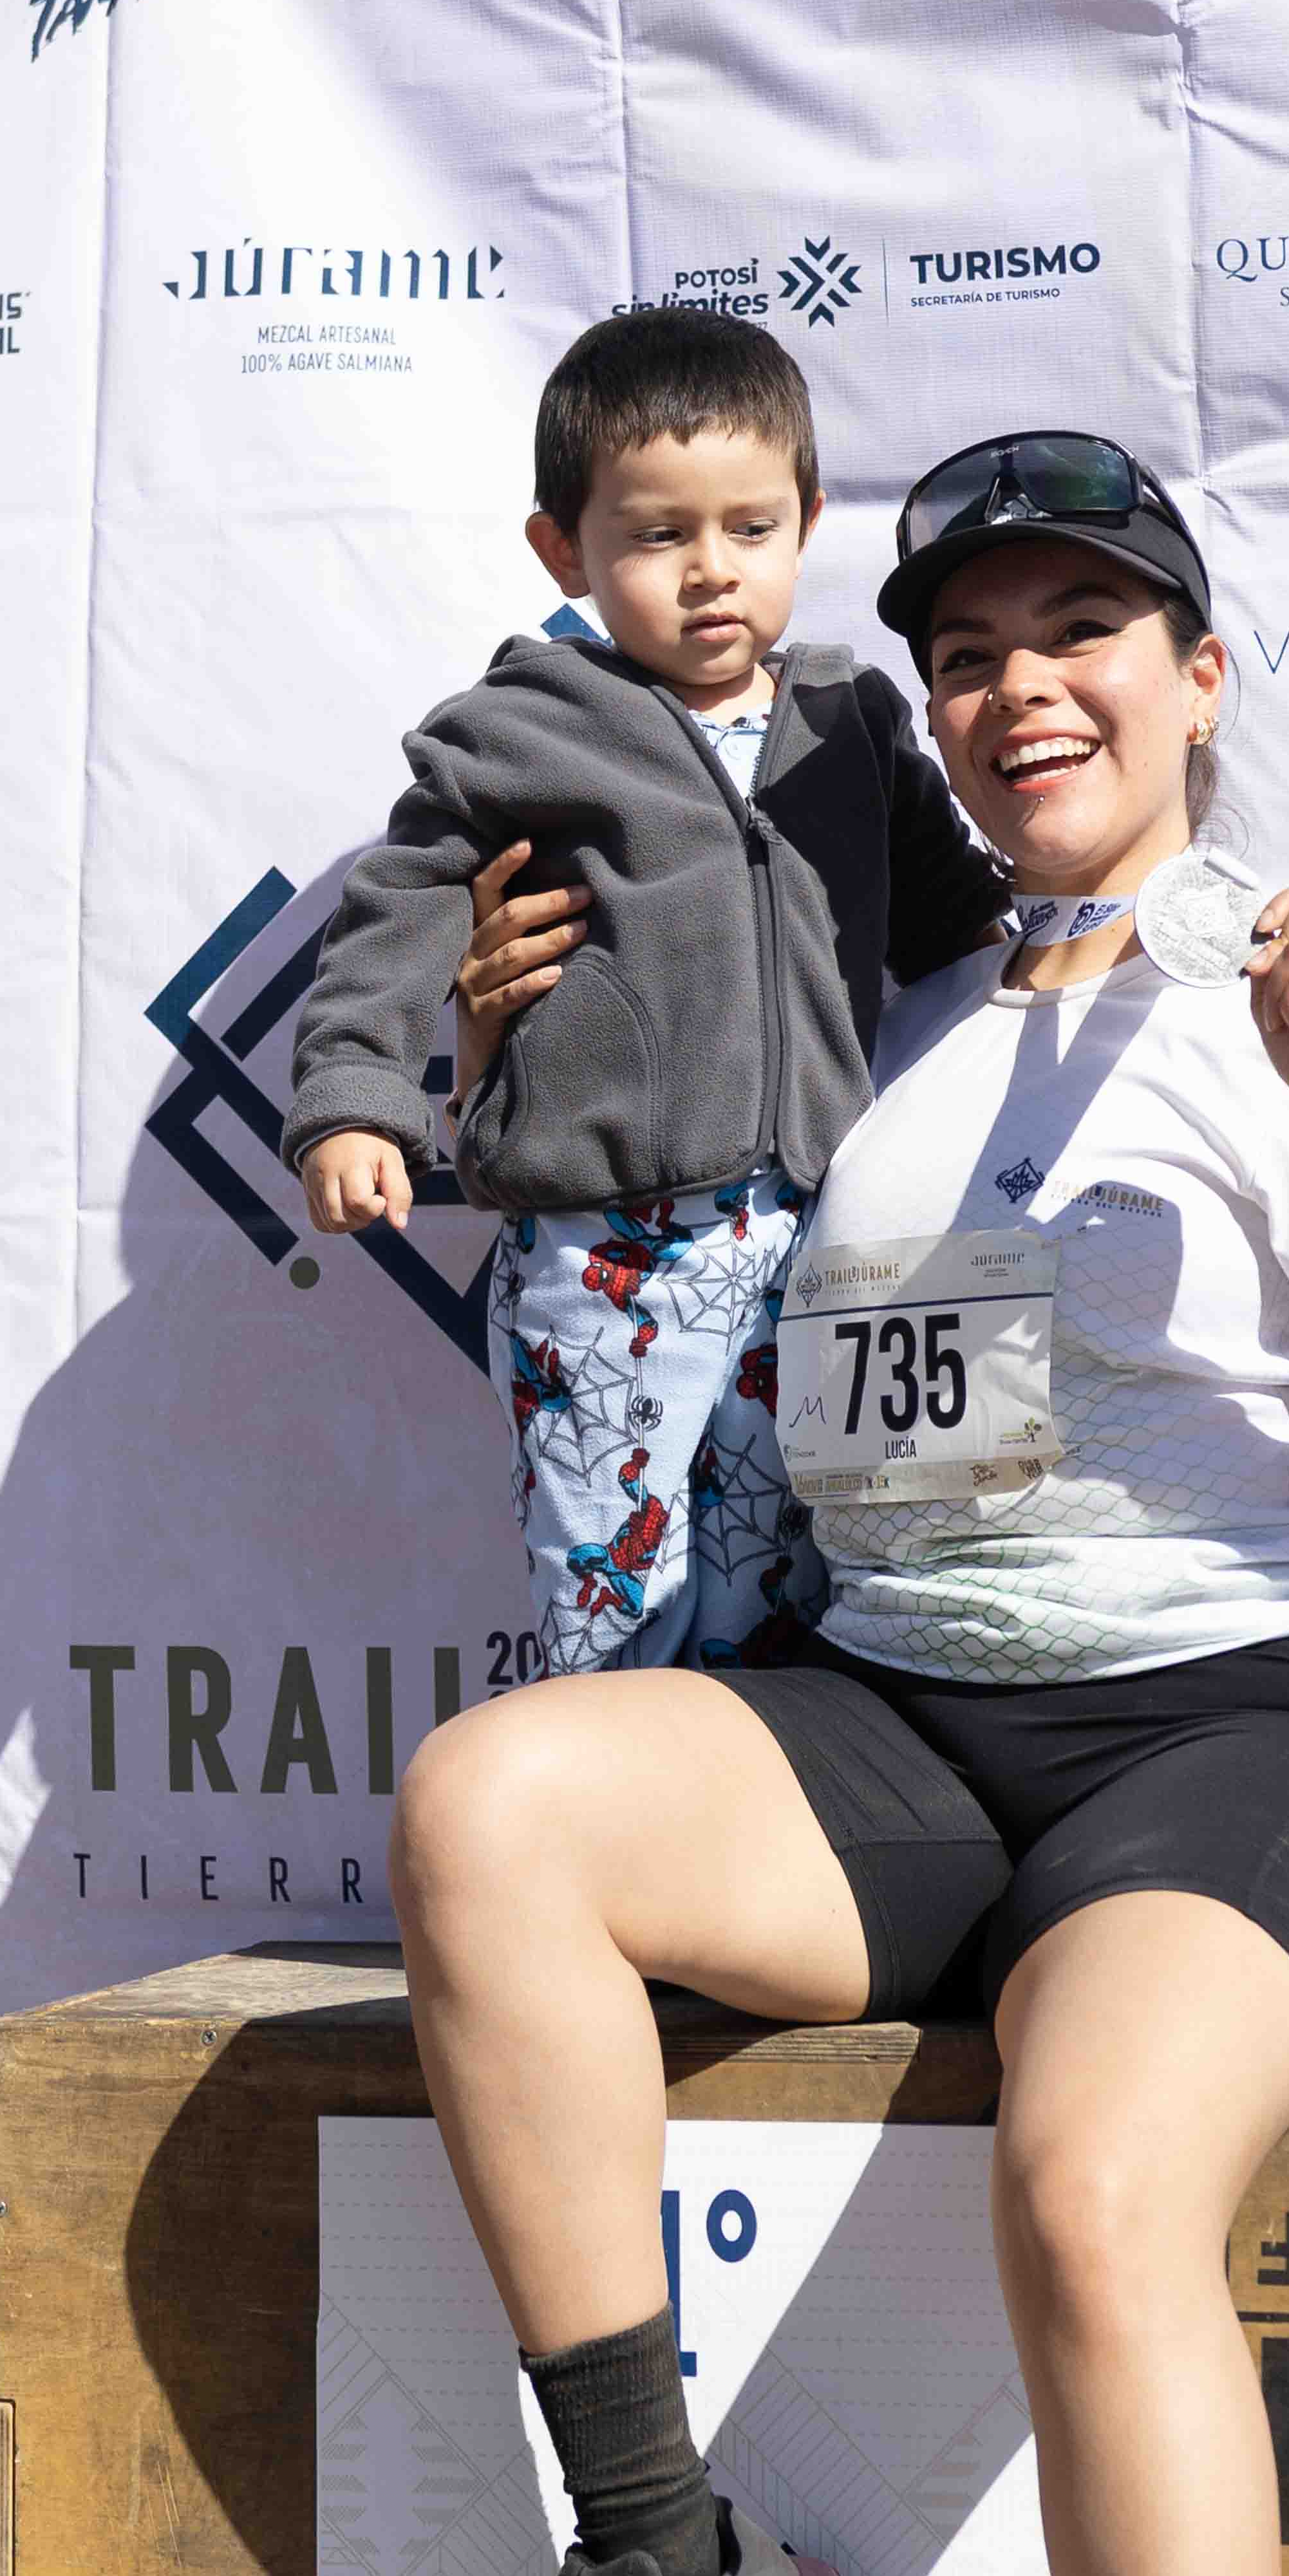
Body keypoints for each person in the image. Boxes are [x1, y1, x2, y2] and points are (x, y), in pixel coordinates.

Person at [397, 429, 1289, 2576]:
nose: (1022, 687)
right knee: (490, 1808)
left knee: (1091, 2180)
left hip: (1257, 1727)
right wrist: (492, 1031)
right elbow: (617, 1176)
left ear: (1197, 677)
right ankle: (667, 2575)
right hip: (906, 1715)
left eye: (1082, 632)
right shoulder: (886, 997)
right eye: (967, 651)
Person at [283, 311, 1006, 1674]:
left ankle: (792, 1800)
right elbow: (402, 906)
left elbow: (961, 921)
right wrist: (357, 1097)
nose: (711, 570)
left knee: (813, 1580)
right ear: (566, 551)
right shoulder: (520, 728)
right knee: (622, 1606)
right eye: (658, 535)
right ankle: (626, 1794)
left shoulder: (852, 720)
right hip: (605, 1258)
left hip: (829, 1240)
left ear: (808, 523)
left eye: (750, 527)